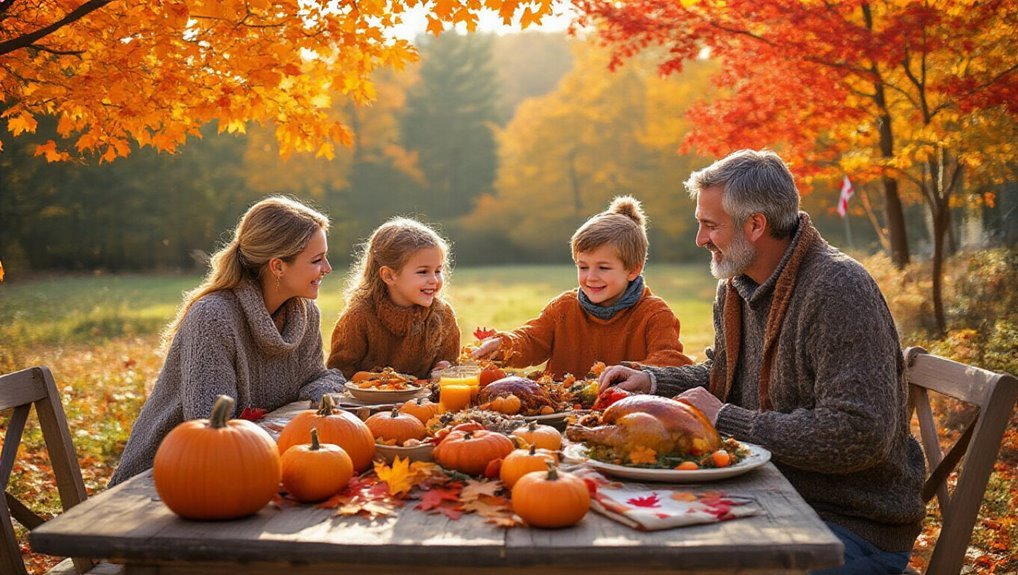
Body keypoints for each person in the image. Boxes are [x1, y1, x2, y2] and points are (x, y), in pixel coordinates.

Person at [598, 150, 926, 574]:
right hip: (767, 497)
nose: (700, 239)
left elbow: (859, 434)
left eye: (710, 225)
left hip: (846, 526)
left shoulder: (839, 289)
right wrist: (651, 381)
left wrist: (727, 420)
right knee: (636, 546)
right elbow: (723, 375)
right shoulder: (738, 286)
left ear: (755, 225)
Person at [110, 196, 345, 486]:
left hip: (260, 465)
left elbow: (317, 378)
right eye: (317, 260)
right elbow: (210, 425)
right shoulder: (213, 317)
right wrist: (291, 423)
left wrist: (319, 403)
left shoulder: (304, 313)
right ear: (278, 266)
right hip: (168, 475)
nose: (328, 268)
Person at [472, 196, 693, 379]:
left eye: (603, 268)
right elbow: (532, 339)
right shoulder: (564, 308)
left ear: (634, 269)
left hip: (627, 413)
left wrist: (632, 373)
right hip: (561, 412)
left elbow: (670, 359)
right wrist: (503, 345)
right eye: (583, 267)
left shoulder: (654, 314)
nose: (591, 277)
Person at [328, 217, 460, 380]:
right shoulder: (359, 317)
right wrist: (378, 381)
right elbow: (339, 372)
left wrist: (446, 368)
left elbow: (452, 364)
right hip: (369, 403)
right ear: (389, 275)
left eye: (438, 270)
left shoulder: (442, 315)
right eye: (423, 271)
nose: (434, 279)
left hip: (424, 402)